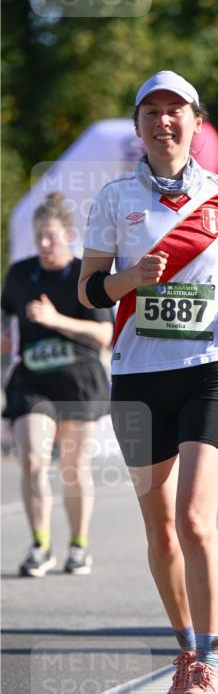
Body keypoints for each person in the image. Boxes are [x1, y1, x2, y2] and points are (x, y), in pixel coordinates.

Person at [79, 71, 218, 694]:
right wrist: (126, 278)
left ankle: (212, 668)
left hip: (212, 367)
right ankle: (185, 652)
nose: (164, 122)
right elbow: (85, 289)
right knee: (159, 531)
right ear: (137, 126)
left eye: (175, 111)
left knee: (193, 518)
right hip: (137, 377)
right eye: (151, 112)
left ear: (196, 121)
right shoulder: (111, 199)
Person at [1, 192, 114, 577]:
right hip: (31, 382)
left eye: (50, 236)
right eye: (38, 237)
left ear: (68, 234)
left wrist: (54, 319)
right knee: (32, 458)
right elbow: (6, 325)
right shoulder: (20, 275)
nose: (44, 245)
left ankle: (79, 545)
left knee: (72, 467)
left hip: (80, 383)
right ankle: (40, 545)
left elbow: (104, 335)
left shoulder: (86, 274)